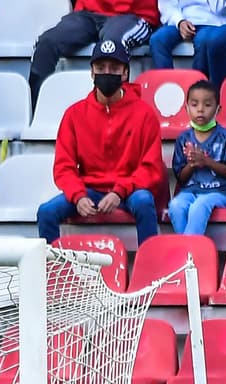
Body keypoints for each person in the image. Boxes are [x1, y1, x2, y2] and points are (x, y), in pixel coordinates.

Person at [36, 39, 163, 246]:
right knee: (47, 212)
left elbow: (151, 168)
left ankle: (149, 270)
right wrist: (78, 196)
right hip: (89, 189)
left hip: (129, 190)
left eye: (114, 68)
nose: (107, 73)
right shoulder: (74, 114)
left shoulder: (144, 114)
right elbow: (64, 166)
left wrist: (119, 191)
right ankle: (55, 274)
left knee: (144, 201)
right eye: (101, 68)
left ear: (125, 73)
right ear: (92, 73)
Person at [29, 0, 158, 103]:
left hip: (134, 15)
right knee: (46, 43)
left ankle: (120, 118)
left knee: (113, 46)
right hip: (88, 13)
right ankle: (34, 113)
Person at [168, 80, 226, 236]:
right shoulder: (183, 139)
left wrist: (206, 162)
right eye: (194, 105)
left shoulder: (225, 137)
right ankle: (190, 251)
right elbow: (180, 179)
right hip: (190, 190)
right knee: (175, 205)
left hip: (220, 191)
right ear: (187, 108)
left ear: (218, 109)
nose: (200, 110)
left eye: (207, 105)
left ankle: (189, 251)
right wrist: (192, 164)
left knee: (200, 205)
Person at [149, 0, 226, 78]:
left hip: (213, 21)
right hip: (180, 18)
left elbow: (219, 7)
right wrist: (179, 21)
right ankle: (167, 86)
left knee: (202, 40)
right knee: (157, 40)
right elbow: (167, 5)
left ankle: (199, 88)